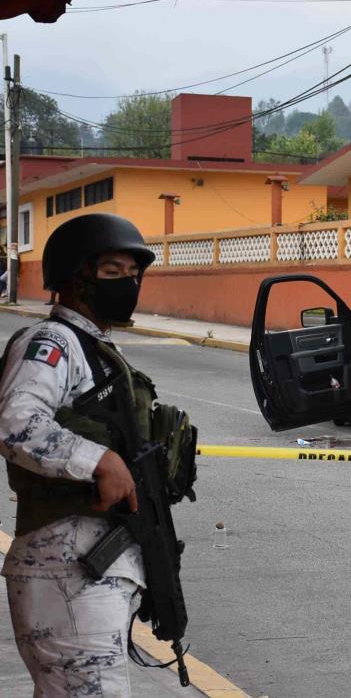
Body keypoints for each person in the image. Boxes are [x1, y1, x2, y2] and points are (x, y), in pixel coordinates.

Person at [0, 213, 170, 696]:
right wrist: (100, 460)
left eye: (133, 275)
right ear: (74, 278)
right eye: (112, 272)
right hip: (64, 565)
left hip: (84, 566)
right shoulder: (53, 341)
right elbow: (16, 422)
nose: (129, 284)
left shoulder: (95, 348)